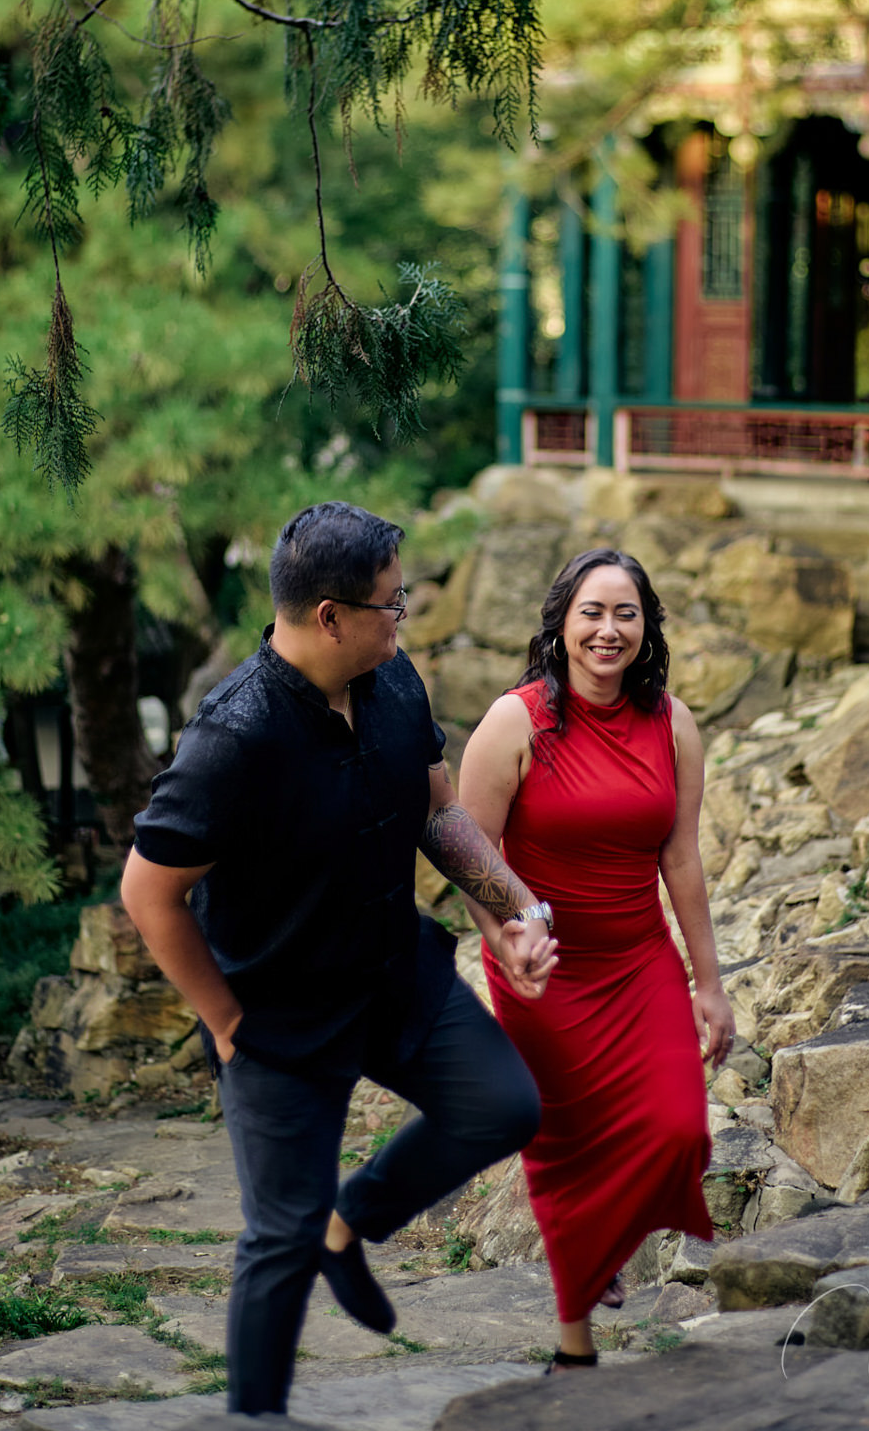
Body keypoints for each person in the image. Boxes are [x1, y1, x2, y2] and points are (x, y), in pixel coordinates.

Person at [121, 501, 557, 1421]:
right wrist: (227, 1021)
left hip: (394, 975)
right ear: (330, 615)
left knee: (504, 1105)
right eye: (393, 604)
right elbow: (148, 895)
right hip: (276, 1016)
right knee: (276, 1240)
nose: (406, 618)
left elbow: (439, 812)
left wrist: (516, 909)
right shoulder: (232, 738)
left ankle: (348, 1221)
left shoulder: (394, 683)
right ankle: (257, 1417)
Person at [457, 547, 736, 1371]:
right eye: (592, 613)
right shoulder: (516, 722)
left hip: (638, 958)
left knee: (681, 1131)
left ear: (646, 629)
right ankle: (574, 1349)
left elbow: (680, 859)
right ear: (562, 625)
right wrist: (505, 940)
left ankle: (610, 1244)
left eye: (626, 614)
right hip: (544, 972)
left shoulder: (672, 723)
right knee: (567, 1155)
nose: (608, 630)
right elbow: (469, 855)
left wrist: (708, 984)